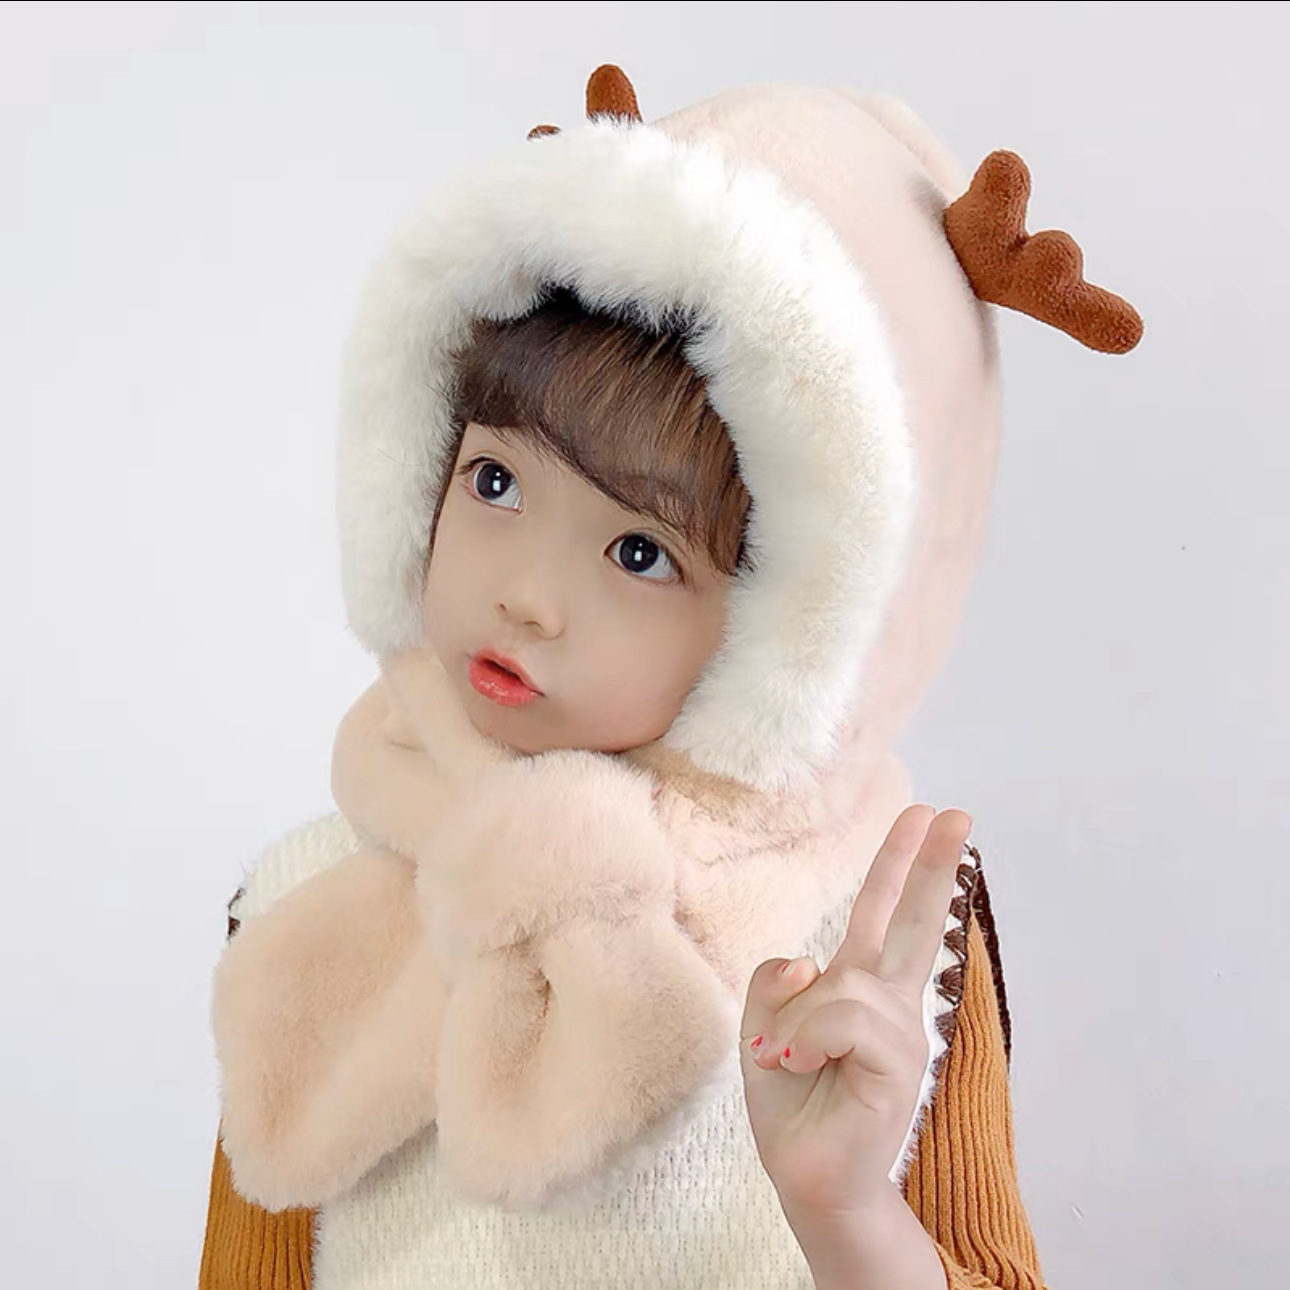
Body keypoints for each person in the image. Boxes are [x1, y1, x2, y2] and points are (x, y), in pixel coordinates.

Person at [199, 66, 1140, 1290]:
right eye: (494, 480)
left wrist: (849, 1215)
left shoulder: (878, 936)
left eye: (640, 551)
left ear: (792, 629)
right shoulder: (306, 894)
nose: (528, 595)